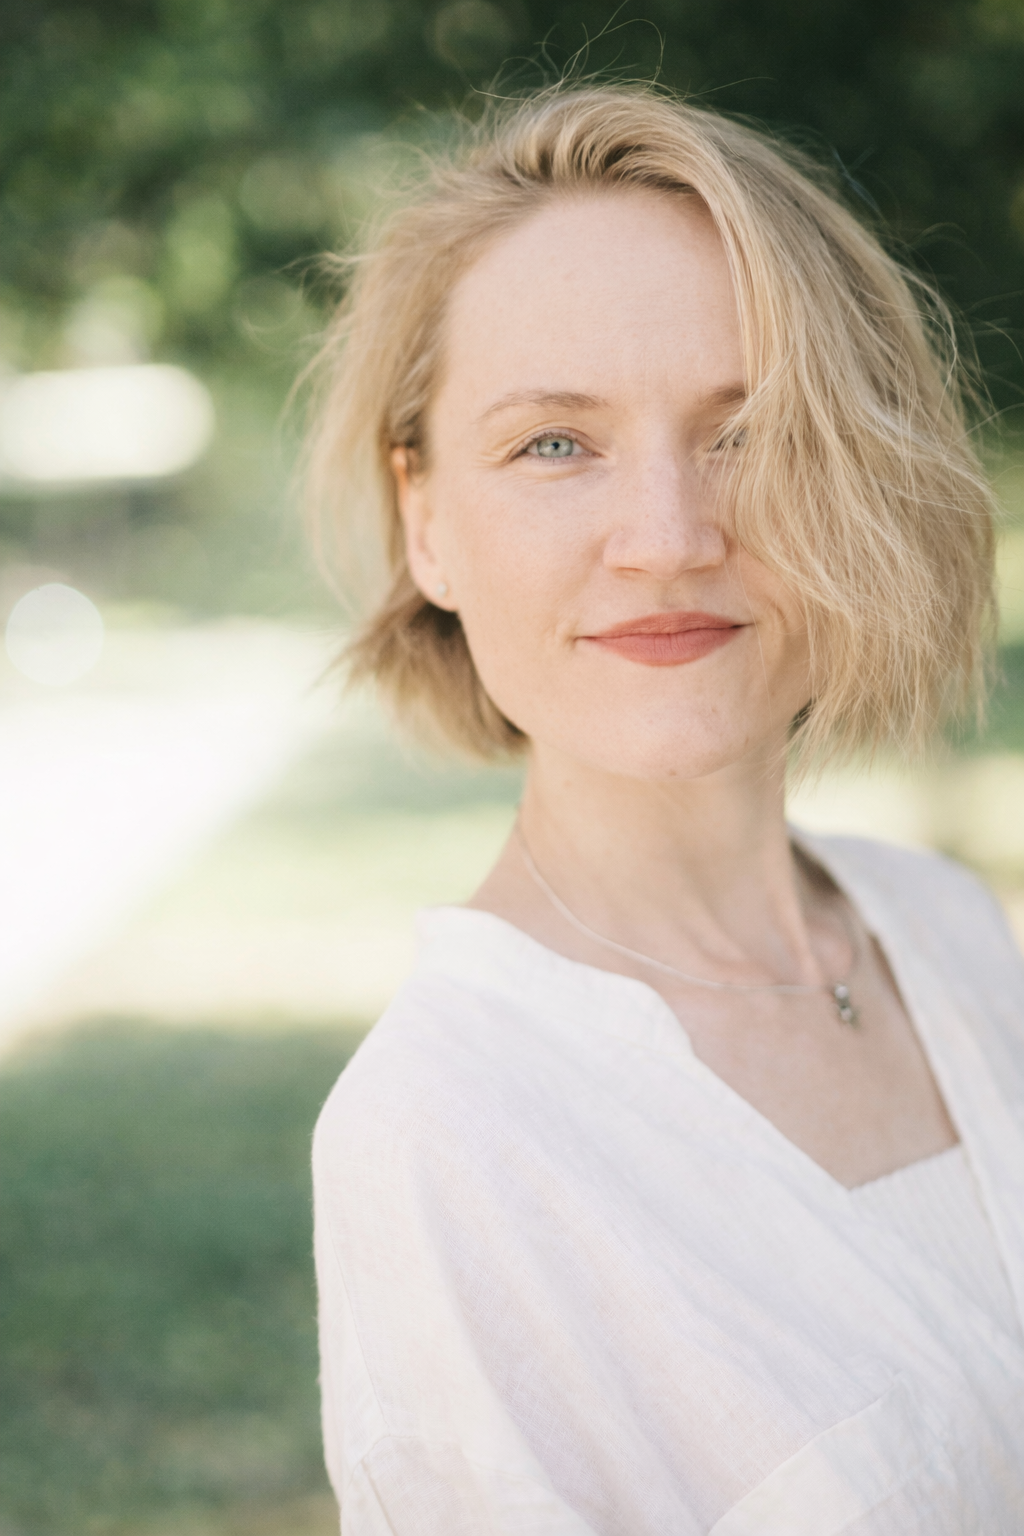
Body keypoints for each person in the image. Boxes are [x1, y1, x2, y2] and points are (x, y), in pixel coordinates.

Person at [306, 84, 1024, 1533]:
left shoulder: (947, 926)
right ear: (426, 517)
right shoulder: (446, 1135)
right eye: (554, 445)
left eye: (748, 430)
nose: (670, 539)